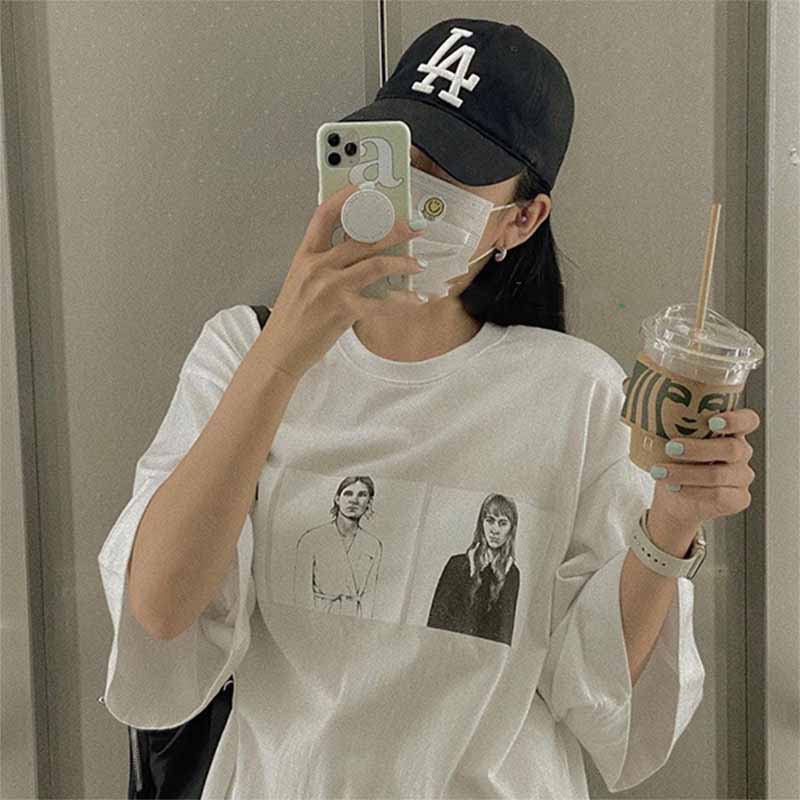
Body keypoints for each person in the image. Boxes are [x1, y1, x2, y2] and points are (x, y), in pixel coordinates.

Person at [98, 17, 705, 799]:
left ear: (520, 219)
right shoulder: (240, 349)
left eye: (451, 170)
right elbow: (162, 611)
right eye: (396, 153)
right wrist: (283, 355)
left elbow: (599, 691)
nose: (413, 188)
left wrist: (671, 526)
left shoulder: (574, 391)